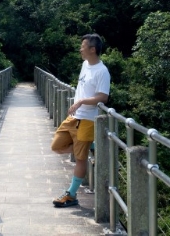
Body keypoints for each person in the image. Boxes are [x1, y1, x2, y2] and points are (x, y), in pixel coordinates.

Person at [50, 33, 110, 208]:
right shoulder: (85, 64)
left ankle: (71, 194)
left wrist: (82, 101)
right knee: (56, 146)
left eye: (83, 46)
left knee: (80, 158)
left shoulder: (102, 71)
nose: (80, 49)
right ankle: (90, 145)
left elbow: (103, 97)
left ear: (92, 49)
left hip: (88, 120)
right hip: (74, 117)